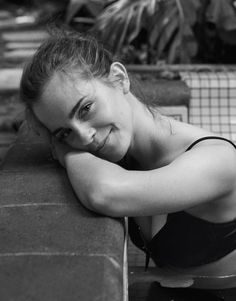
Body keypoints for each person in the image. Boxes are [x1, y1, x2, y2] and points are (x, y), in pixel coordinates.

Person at [20, 28, 236, 289]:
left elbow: (106, 194)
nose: (85, 136)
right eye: (65, 132)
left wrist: (66, 150)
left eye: (86, 109)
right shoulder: (119, 154)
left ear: (119, 79)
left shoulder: (218, 159)